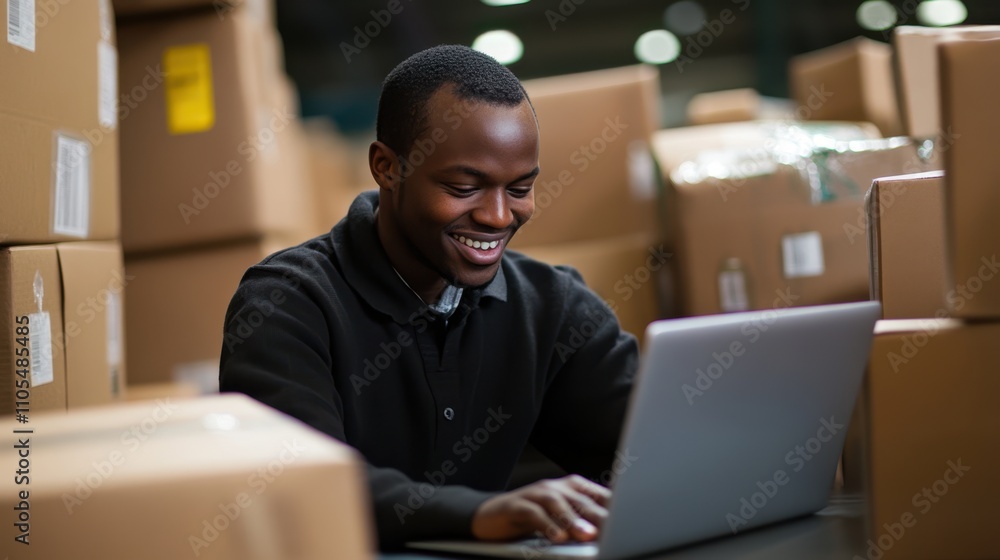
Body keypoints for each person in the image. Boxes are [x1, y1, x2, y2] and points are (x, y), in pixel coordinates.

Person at [219, 44, 638, 550]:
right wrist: (477, 513)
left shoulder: (554, 307)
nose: (499, 217)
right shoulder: (287, 302)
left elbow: (651, 452)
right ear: (386, 168)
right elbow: (301, 483)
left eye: (521, 187)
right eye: (465, 187)